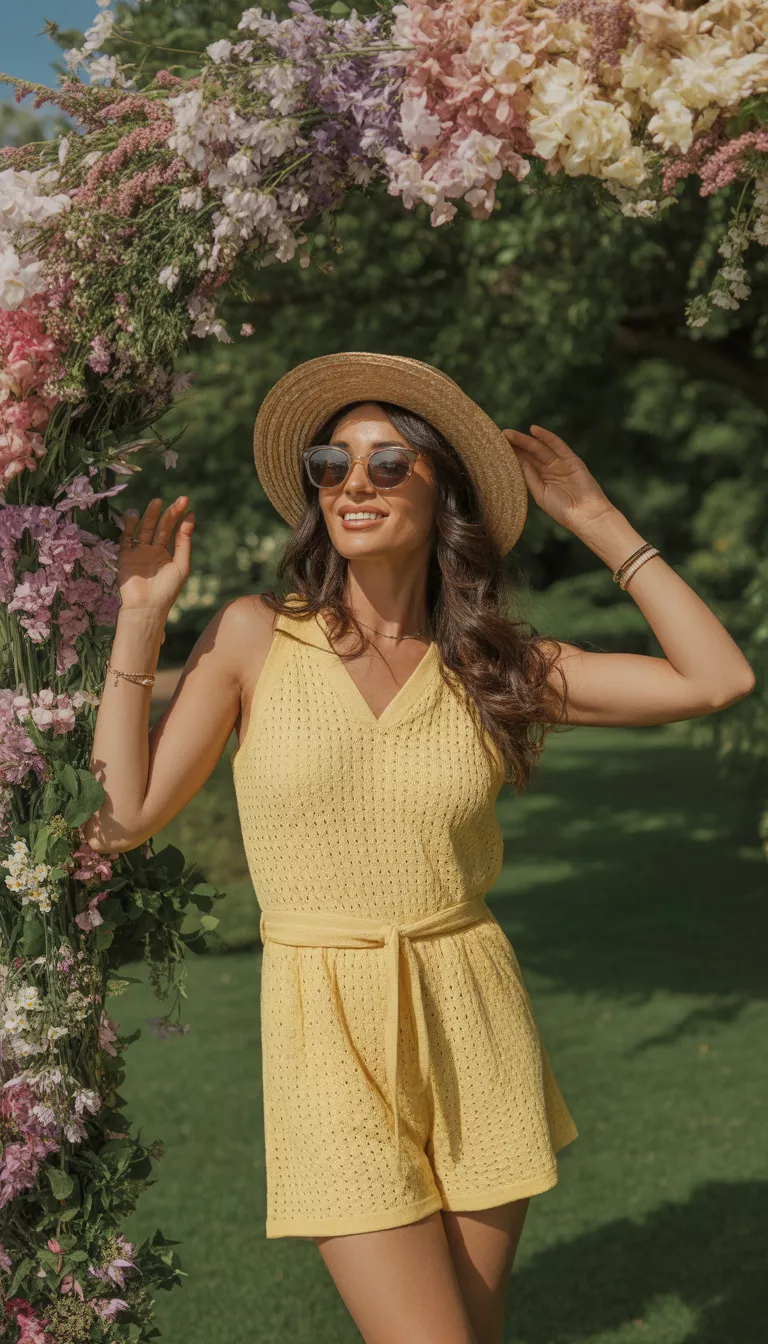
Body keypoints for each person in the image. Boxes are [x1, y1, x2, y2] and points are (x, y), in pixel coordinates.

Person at [84, 352, 755, 1344]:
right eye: (332, 462)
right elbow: (121, 818)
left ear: (443, 487)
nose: (354, 483)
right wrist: (138, 624)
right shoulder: (254, 637)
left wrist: (602, 525)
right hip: (325, 1025)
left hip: (470, 1010)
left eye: (389, 462)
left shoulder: (494, 666)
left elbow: (716, 680)